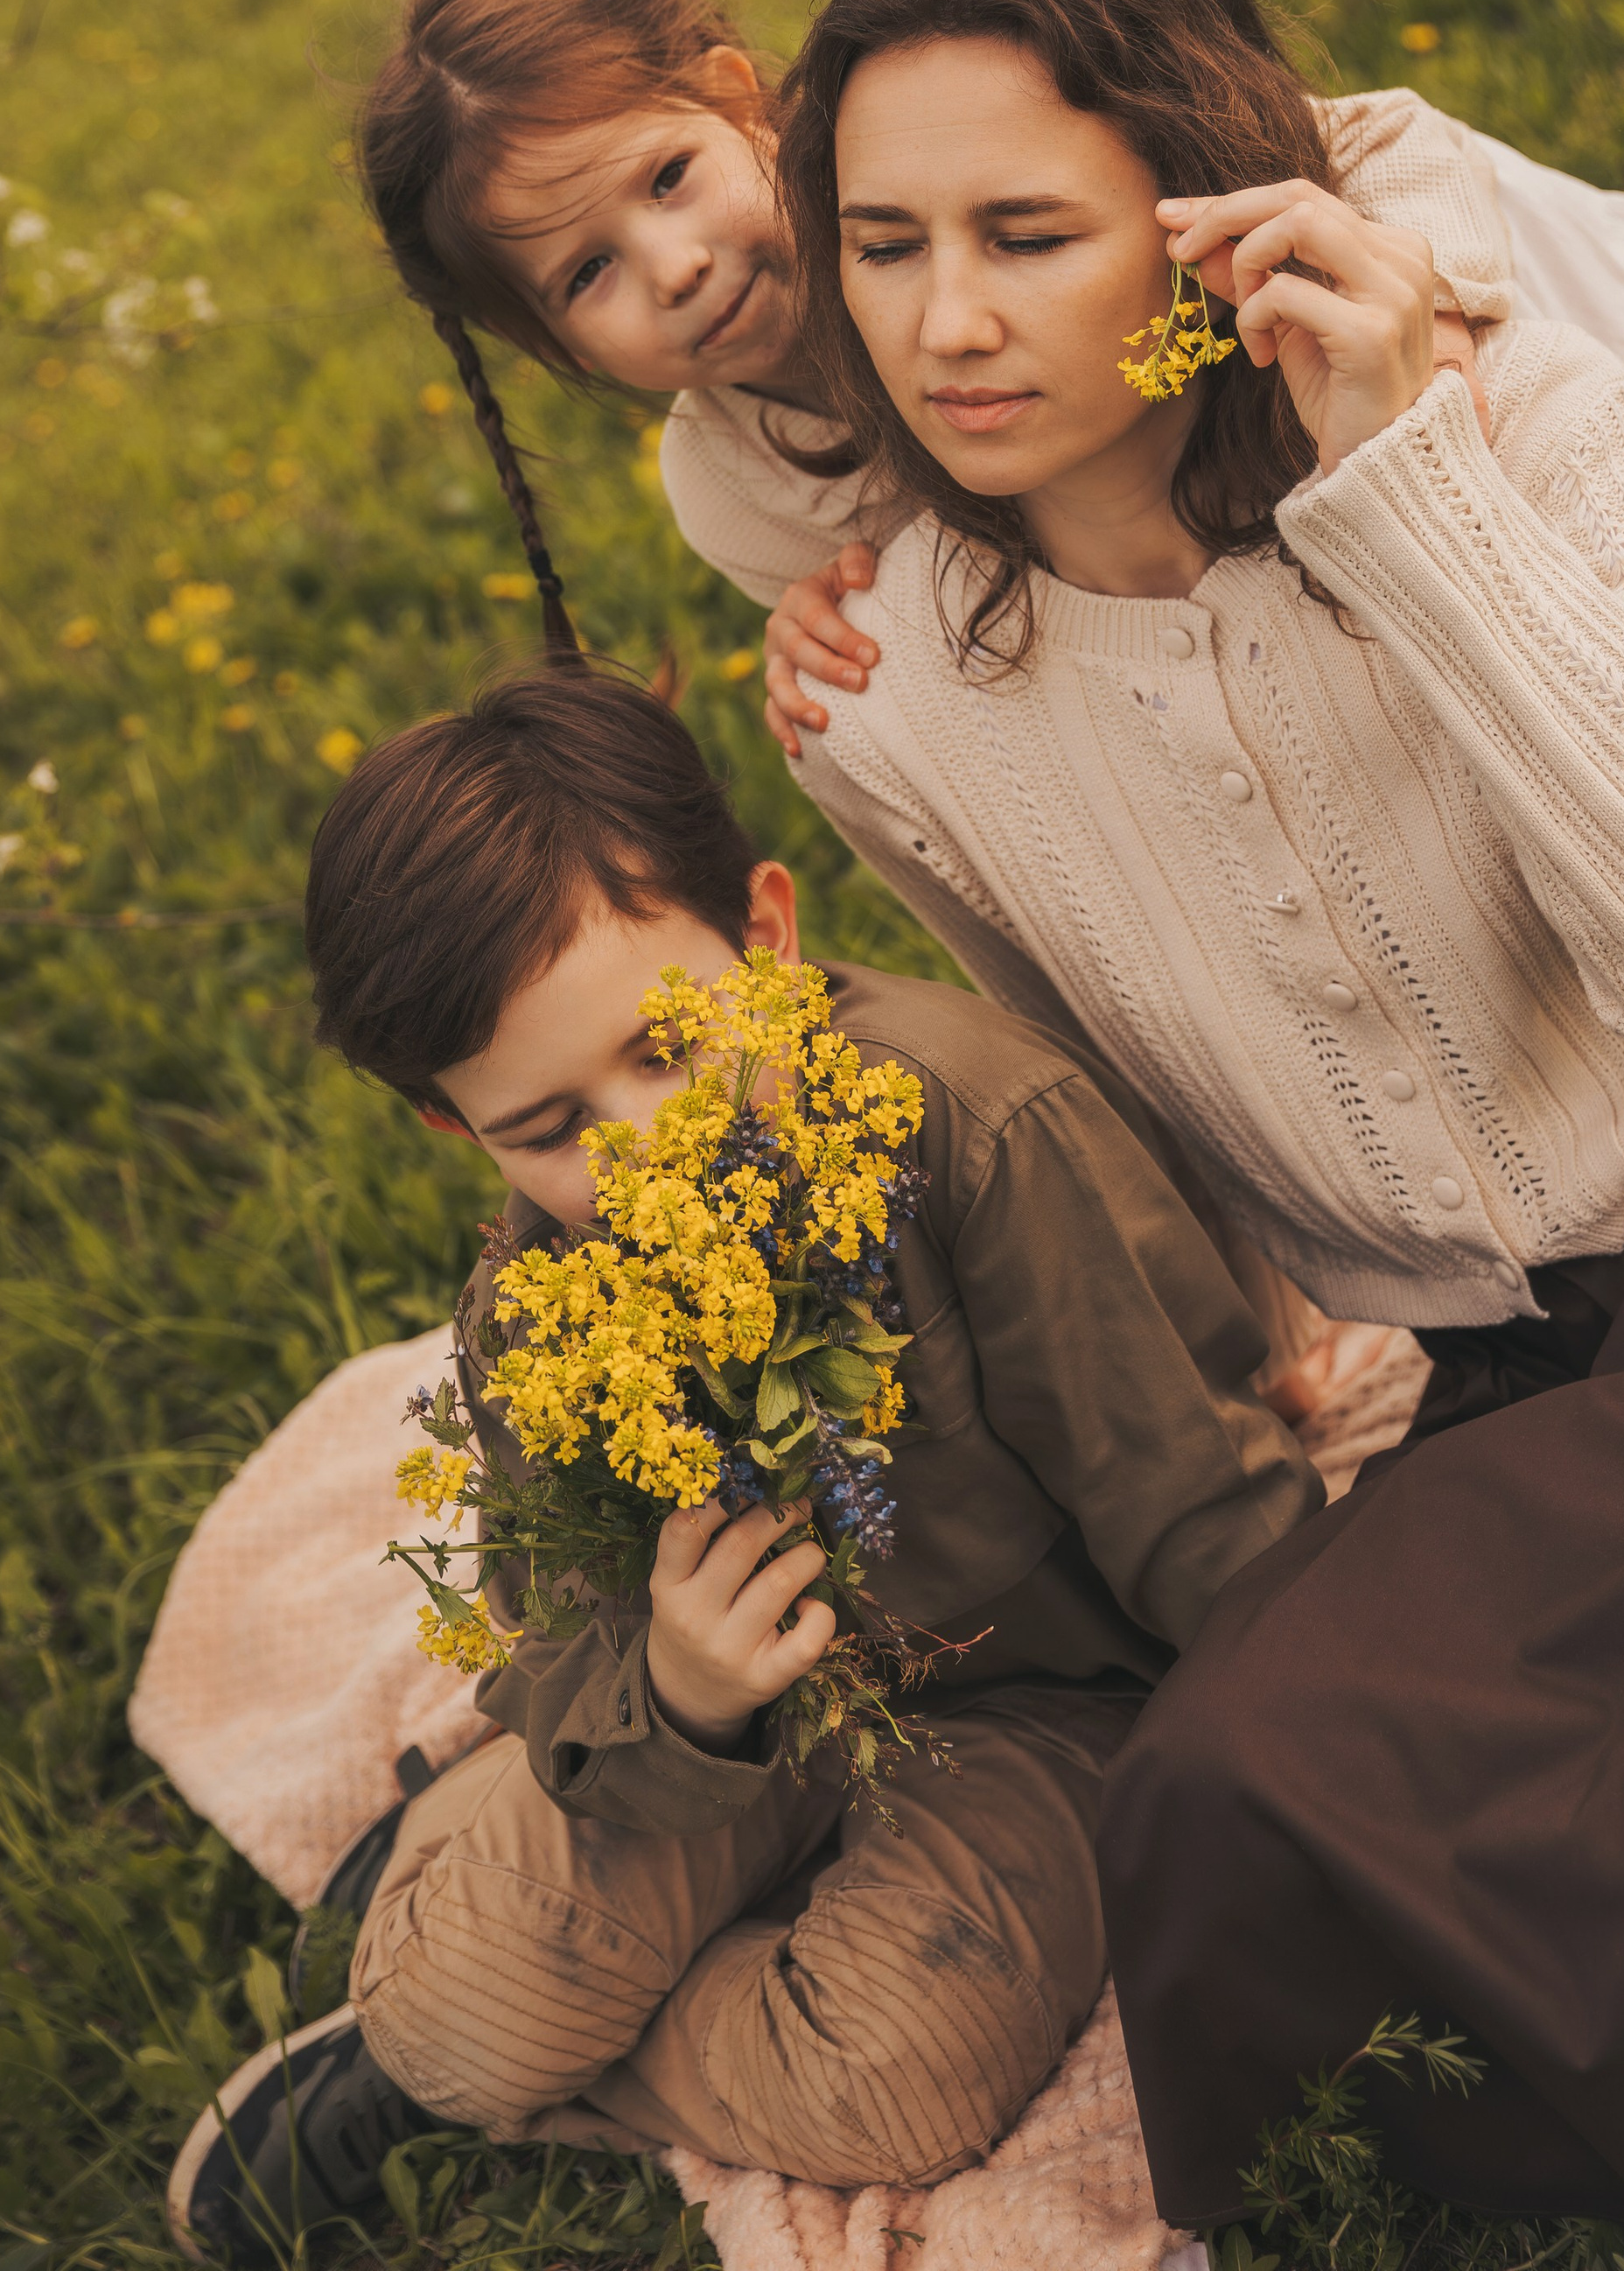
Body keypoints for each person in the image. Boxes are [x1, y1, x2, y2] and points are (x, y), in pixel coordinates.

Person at [718, 0, 1624, 2266]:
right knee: (1237, 1799)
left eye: (1025, 233)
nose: (946, 322)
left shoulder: (1501, 412)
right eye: (882, 247)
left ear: (1204, 226)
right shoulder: (886, 698)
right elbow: (1126, 1088)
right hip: (1539, 1346)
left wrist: (1408, 492)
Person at [165, 659, 1315, 2263]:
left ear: (766, 939)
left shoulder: (973, 1132)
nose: (642, 1148)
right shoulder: (541, 1308)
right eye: (549, 1129)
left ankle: (518, 2031)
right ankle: (459, 2007)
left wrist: (1315, 1790)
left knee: (886, 2080)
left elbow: (1199, 1506)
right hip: (741, 1731)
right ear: (455, 1128)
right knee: (442, 2013)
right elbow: (561, 1637)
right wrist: (688, 1694)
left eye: (666, 1050)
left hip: (1043, 1704)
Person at [354, 0, 1624, 839]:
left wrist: (1435, 314)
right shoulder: (734, 480)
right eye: (586, 277)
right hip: (1236, 543)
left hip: (1423, 363)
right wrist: (826, 626)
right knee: (1528, 756)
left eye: (665, 181)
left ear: (735, 94)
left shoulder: (930, 137)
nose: (673, 267)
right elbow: (922, 590)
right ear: (552, 349)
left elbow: (1374, 141)